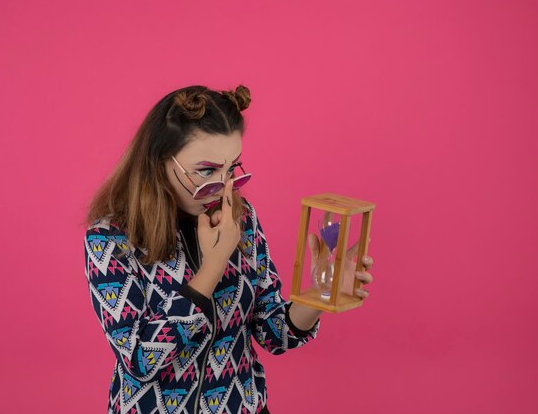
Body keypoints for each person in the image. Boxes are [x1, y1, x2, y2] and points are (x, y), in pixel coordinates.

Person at [82, 85, 374, 414]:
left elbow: (272, 333)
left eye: (232, 169)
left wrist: (321, 294)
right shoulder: (110, 240)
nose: (223, 187)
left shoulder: (241, 220)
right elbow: (139, 360)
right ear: (159, 161)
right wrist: (212, 268)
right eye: (206, 171)